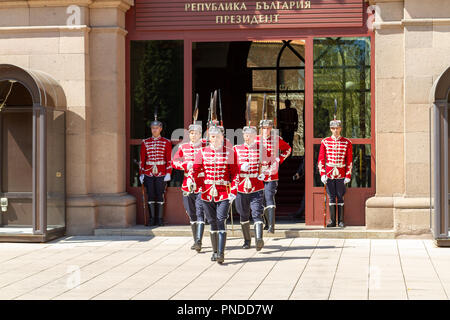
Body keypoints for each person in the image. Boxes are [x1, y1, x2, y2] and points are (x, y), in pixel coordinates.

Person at [191, 123, 238, 264]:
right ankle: (214, 251)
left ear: (222, 137)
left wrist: (233, 191)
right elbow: (195, 170)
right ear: (209, 138)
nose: (215, 139)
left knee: (220, 220)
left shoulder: (229, 152)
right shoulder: (202, 152)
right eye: (213, 137)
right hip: (206, 192)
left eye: (218, 136)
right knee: (212, 222)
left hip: (224, 192)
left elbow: (235, 174)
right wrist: (197, 184)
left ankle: (221, 253)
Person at [172, 122, 207, 251]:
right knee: (191, 213)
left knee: (200, 212)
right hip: (187, 183)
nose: (194, 136)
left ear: (200, 134)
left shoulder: (206, 146)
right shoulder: (183, 147)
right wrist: (185, 165)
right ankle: (195, 239)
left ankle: (199, 241)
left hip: (202, 183)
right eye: (191, 133)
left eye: (196, 133)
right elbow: (174, 162)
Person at [233, 124, 267, 251]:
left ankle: (259, 239)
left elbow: (265, 163)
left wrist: (263, 172)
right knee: (243, 214)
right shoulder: (237, 149)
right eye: (246, 135)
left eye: (250, 135)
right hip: (241, 186)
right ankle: (247, 240)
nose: (248, 137)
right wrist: (240, 167)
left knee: (257, 212)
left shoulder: (260, 148)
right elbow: (231, 168)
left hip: (256, 185)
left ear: (255, 136)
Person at [256, 118, 291, 233]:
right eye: (264, 128)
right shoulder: (255, 140)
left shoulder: (276, 139)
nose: (266, 130)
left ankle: (271, 225)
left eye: (268, 128)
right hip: (258, 173)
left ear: (271, 129)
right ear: (260, 129)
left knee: (269, 196)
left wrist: (278, 159)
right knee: (260, 199)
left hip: (271, 173)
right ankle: (266, 222)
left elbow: (288, 149)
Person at [317, 117, 353, 228]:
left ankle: (341, 221)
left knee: (340, 196)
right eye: (333, 128)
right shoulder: (325, 142)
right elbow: (321, 159)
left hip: (341, 173)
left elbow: (349, 160)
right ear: (330, 129)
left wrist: (348, 175)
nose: (335, 130)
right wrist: (322, 174)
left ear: (340, 128)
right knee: (331, 197)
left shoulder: (347, 142)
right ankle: (332, 221)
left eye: (337, 128)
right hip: (329, 174)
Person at [139, 113, 172, 226]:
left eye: (156, 128)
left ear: (160, 129)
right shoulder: (145, 142)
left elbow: (169, 159)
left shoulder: (166, 142)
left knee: (160, 194)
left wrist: (168, 173)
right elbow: (142, 160)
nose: (154, 130)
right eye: (153, 128)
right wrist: (141, 173)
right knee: (151, 194)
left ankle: (160, 219)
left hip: (161, 172)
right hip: (148, 172)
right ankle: (152, 219)